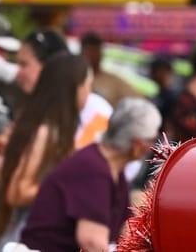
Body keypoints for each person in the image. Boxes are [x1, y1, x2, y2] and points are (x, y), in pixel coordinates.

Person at [19, 97, 161, 252]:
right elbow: (92, 242)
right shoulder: (94, 170)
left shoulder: (112, 172)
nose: (151, 146)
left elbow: (125, 228)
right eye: (152, 140)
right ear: (137, 145)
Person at [0, 53, 92, 246]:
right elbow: (17, 192)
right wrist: (65, 182)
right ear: (75, 89)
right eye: (88, 86)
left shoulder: (52, 130)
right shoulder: (45, 133)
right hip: (24, 237)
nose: (89, 93)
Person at [13, 29, 113, 151]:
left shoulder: (93, 110)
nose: (17, 73)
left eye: (24, 64)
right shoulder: (28, 109)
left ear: (50, 65)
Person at [78, 31, 140, 107]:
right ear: (82, 53)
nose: (94, 56)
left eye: (96, 51)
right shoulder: (75, 79)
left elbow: (138, 100)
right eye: (90, 52)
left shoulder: (113, 80)